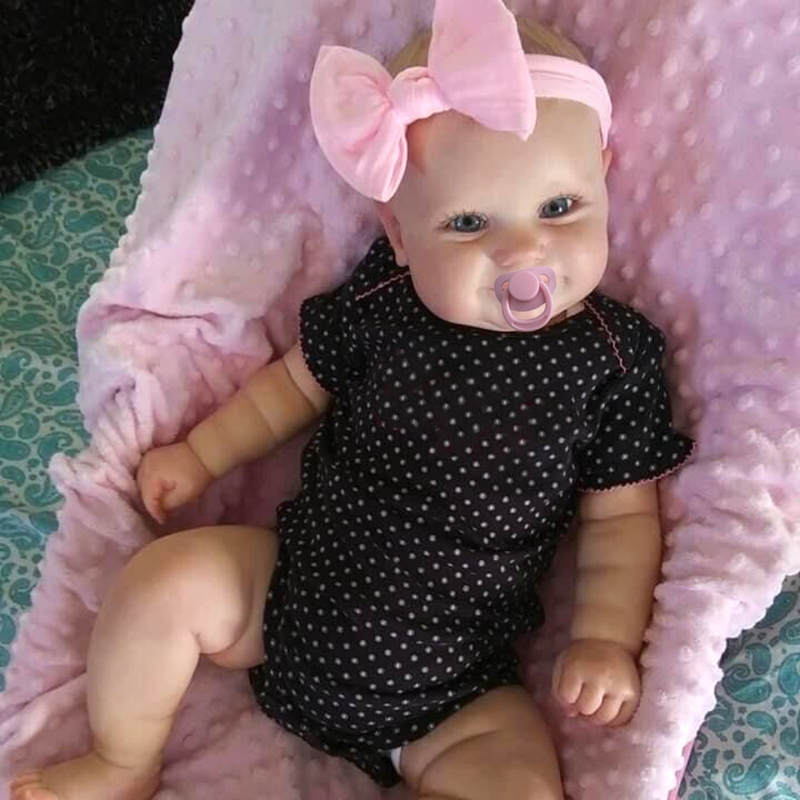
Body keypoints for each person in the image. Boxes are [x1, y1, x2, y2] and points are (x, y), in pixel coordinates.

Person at [10, 0, 694, 798]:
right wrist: (200, 455)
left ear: (602, 175)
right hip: (285, 596)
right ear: (400, 235)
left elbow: (620, 521)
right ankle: (123, 761)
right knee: (164, 579)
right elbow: (288, 391)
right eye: (468, 224)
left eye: (559, 208)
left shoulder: (610, 359)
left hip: (454, 694)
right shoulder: (386, 304)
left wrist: (605, 641)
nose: (522, 251)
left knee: (519, 786)